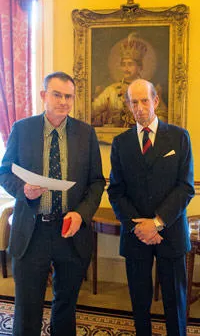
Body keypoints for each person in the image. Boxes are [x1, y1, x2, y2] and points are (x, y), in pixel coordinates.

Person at [0, 72, 105, 336]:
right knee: (27, 307)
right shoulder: (22, 130)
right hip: (31, 231)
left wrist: (82, 214)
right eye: (57, 95)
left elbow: (96, 182)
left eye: (69, 96)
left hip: (70, 230)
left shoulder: (85, 133)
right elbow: (4, 172)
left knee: (66, 306)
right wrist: (23, 190)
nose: (64, 101)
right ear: (44, 95)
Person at [107, 79, 194, 336]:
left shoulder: (179, 137)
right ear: (128, 105)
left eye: (145, 100)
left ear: (155, 101)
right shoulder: (121, 143)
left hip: (171, 232)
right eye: (134, 102)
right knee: (139, 302)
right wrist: (140, 226)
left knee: (175, 304)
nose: (140, 107)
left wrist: (156, 223)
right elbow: (116, 191)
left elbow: (185, 187)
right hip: (136, 236)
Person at [92, 33, 147, 128]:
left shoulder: (149, 90)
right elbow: (93, 109)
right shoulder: (111, 90)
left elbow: (162, 116)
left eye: (130, 64)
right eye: (123, 64)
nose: (126, 68)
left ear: (140, 67)